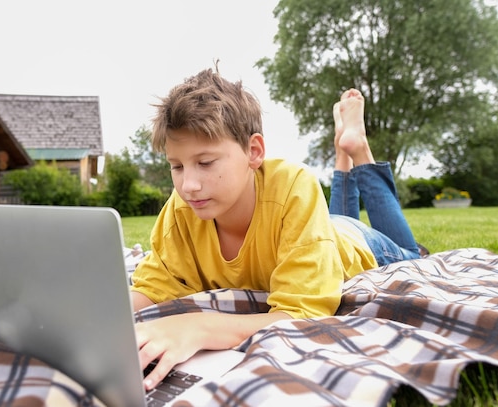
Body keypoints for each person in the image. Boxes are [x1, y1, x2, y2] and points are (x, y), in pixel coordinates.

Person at [130, 67, 423, 390]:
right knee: (334, 215)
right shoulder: (182, 208)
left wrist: (199, 327)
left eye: (206, 162)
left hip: (356, 242)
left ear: (254, 152)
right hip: (317, 229)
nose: (189, 185)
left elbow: (302, 316)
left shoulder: (294, 187)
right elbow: (154, 286)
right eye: (177, 166)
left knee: (411, 252)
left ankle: (358, 149)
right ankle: (342, 152)